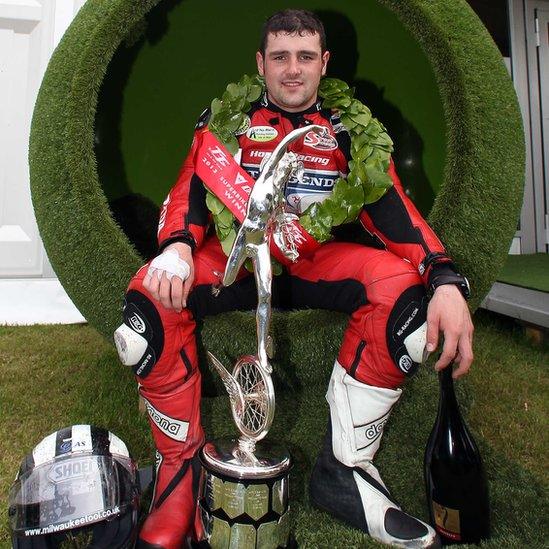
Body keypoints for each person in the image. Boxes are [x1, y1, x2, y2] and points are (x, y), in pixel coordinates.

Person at [114, 9, 474, 549]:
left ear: (323, 63)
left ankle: (346, 472)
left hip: (314, 258)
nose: (292, 70)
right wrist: (176, 247)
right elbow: (190, 183)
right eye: (280, 57)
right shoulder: (229, 118)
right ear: (260, 64)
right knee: (147, 303)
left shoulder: (351, 127)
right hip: (236, 255)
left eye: (305, 57)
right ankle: (179, 473)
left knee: (404, 300)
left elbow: (392, 206)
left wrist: (443, 276)